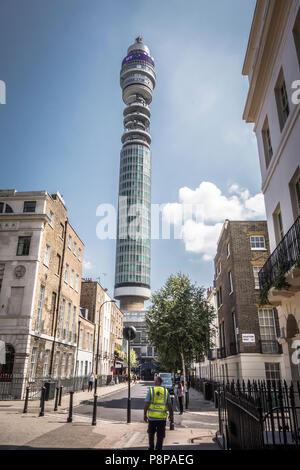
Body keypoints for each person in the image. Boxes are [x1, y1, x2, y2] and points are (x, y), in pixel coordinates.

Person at [144, 376, 174, 451]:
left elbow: (147, 403)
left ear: (158, 382)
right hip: (161, 418)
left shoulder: (151, 390)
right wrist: (171, 414)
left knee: (151, 433)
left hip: (152, 417)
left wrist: (144, 414)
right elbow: (169, 404)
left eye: (155, 381)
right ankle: (158, 448)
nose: (154, 382)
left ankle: (151, 447)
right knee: (160, 435)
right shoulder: (165, 391)